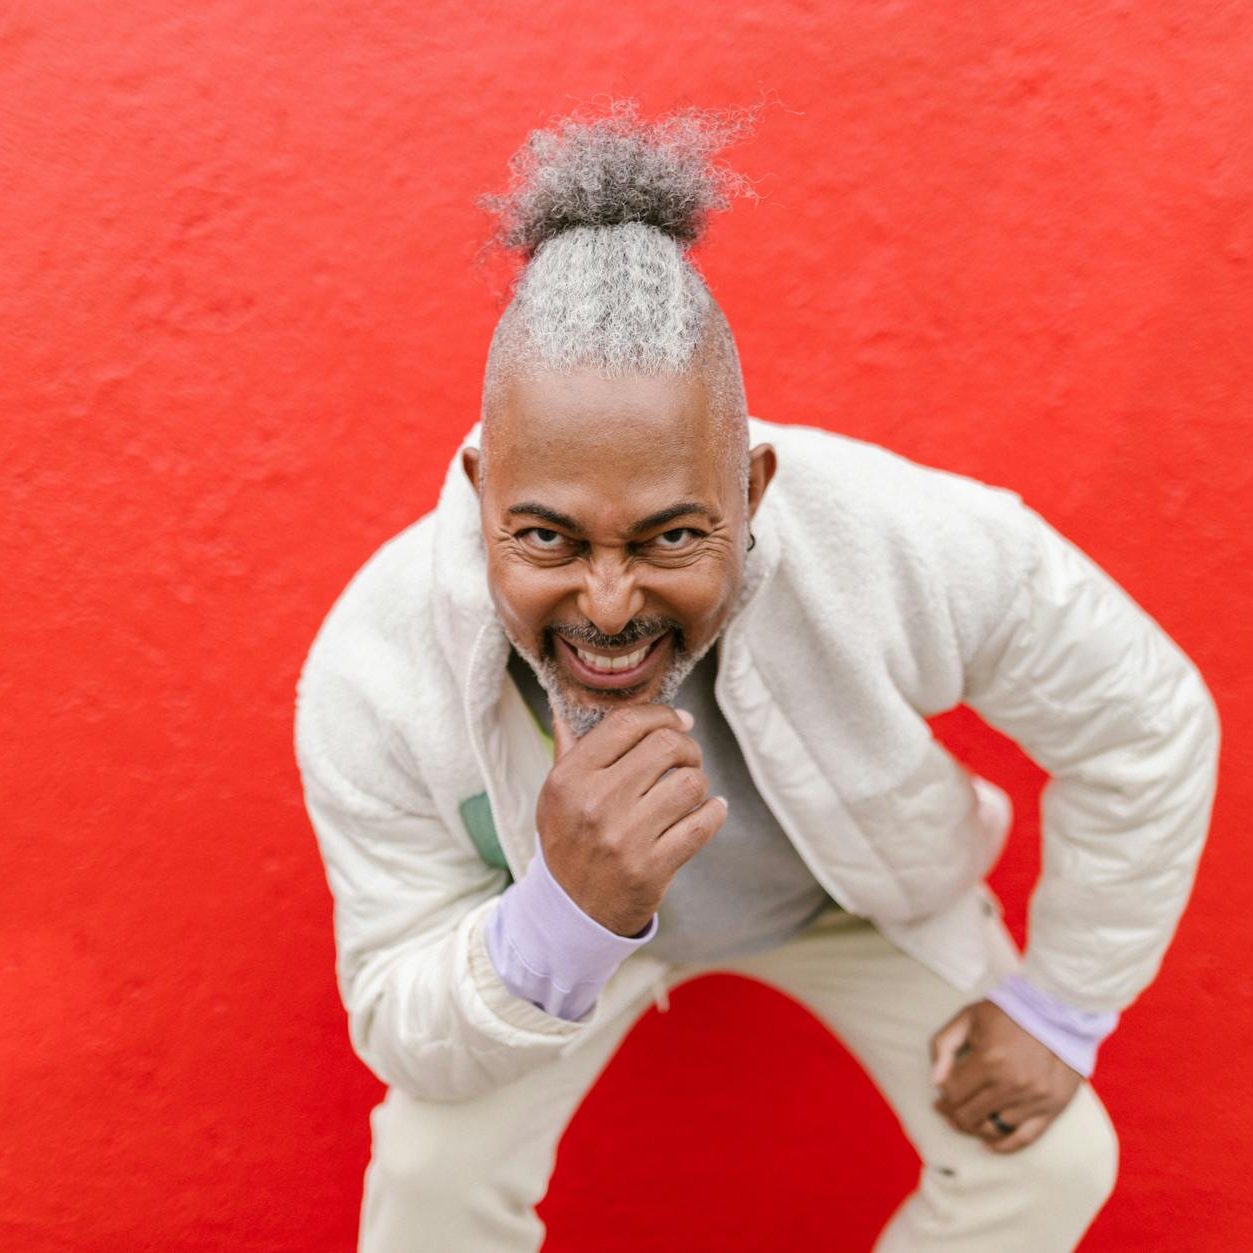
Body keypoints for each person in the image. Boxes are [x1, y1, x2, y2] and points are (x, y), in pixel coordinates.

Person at [293, 101, 1221, 1252]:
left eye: (671, 538)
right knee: (429, 1182)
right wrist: (562, 917)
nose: (609, 603)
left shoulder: (898, 537)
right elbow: (394, 1009)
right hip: (537, 949)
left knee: (1052, 1158)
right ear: (483, 491)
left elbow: (1144, 722)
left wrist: (1061, 1002)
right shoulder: (371, 667)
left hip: (851, 903)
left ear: (752, 488)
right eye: (545, 539)